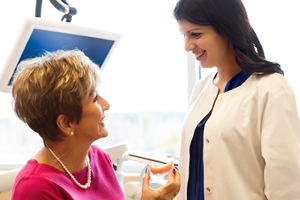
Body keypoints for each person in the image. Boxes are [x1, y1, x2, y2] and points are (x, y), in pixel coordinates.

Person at [11, 49, 180, 200]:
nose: (106, 105)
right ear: (66, 123)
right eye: (94, 99)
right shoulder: (34, 188)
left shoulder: (99, 158)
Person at [173, 0, 300, 199]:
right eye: (184, 34)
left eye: (195, 34)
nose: (187, 46)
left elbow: (286, 187)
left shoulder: (271, 90)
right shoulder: (201, 89)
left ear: (226, 28)